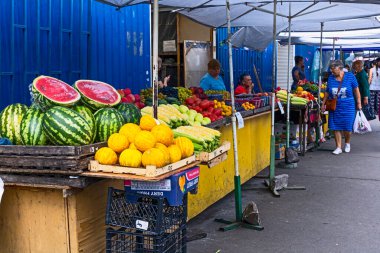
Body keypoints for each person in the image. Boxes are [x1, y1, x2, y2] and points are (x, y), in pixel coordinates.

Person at [322, 60, 361, 155]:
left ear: (339, 68)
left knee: (347, 128)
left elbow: (356, 90)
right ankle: (338, 147)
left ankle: (347, 143)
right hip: (335, 106)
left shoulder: (350, 76)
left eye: (333, 69)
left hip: (348, 106)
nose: (331, 71)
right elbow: (327, 91)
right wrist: (323, 103)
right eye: (330, 69)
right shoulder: (331, 78)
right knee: (336, 127)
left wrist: (359, 103)